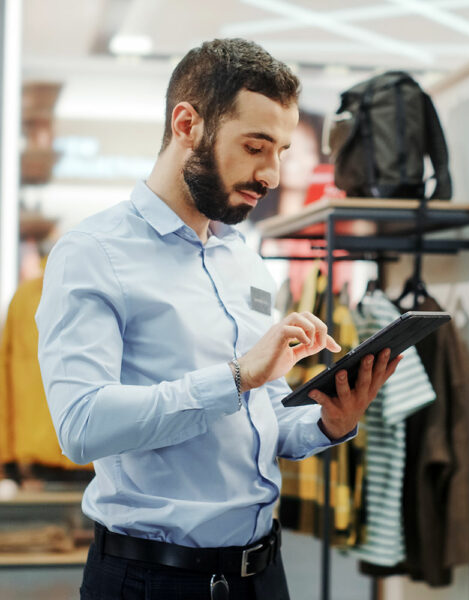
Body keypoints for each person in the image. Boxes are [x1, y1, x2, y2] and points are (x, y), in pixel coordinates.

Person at [35, 38, 401, 600]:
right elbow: (81, 426)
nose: (273, 174)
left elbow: (263, 418)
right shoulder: (92, 253)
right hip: (150, 581)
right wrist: (236, 376)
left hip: (262, 575)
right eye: (256, 146)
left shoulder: (245, 264)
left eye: (279, 150)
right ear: (187, 123)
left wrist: (329, 420)